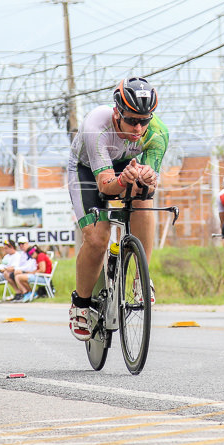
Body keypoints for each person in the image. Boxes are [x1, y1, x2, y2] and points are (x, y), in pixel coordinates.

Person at [66, 77, 168, 341]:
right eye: (132, 120)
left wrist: (145, 179)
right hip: (88, 171)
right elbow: (106, 185)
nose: (138, 127)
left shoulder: (157, 133)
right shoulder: (95, 127)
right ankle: (81, 305)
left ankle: (140, 279)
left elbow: (150, 183)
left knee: (144, 198)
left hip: (126, 167)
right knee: (98, 238)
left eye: (144, 120)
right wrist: (124, 180)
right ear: (116, 113)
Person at [3, 237, 37, 301]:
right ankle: (20, 292)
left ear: (27, 243)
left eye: (22, 244)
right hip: (25, 270)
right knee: (8, 273)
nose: (21, 246)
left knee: (17, 273)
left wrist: (17, 269)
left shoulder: (31, 251)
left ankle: (27, 292)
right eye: (19, 244)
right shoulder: (22, 254)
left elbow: (30, 265)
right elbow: (20, 265)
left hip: (32, 271)